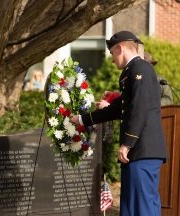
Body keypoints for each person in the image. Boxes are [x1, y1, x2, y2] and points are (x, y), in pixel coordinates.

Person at [70, 30, 167, 216]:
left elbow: (139, 108)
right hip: (137, 152)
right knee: (131, 207)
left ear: (120, 48)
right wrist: (81, 119)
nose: (112, 59)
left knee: (142, 206)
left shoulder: (141, 69)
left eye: (112, 53)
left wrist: (127, 143)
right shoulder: (131, 71)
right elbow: (116, 109)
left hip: (142, 150)